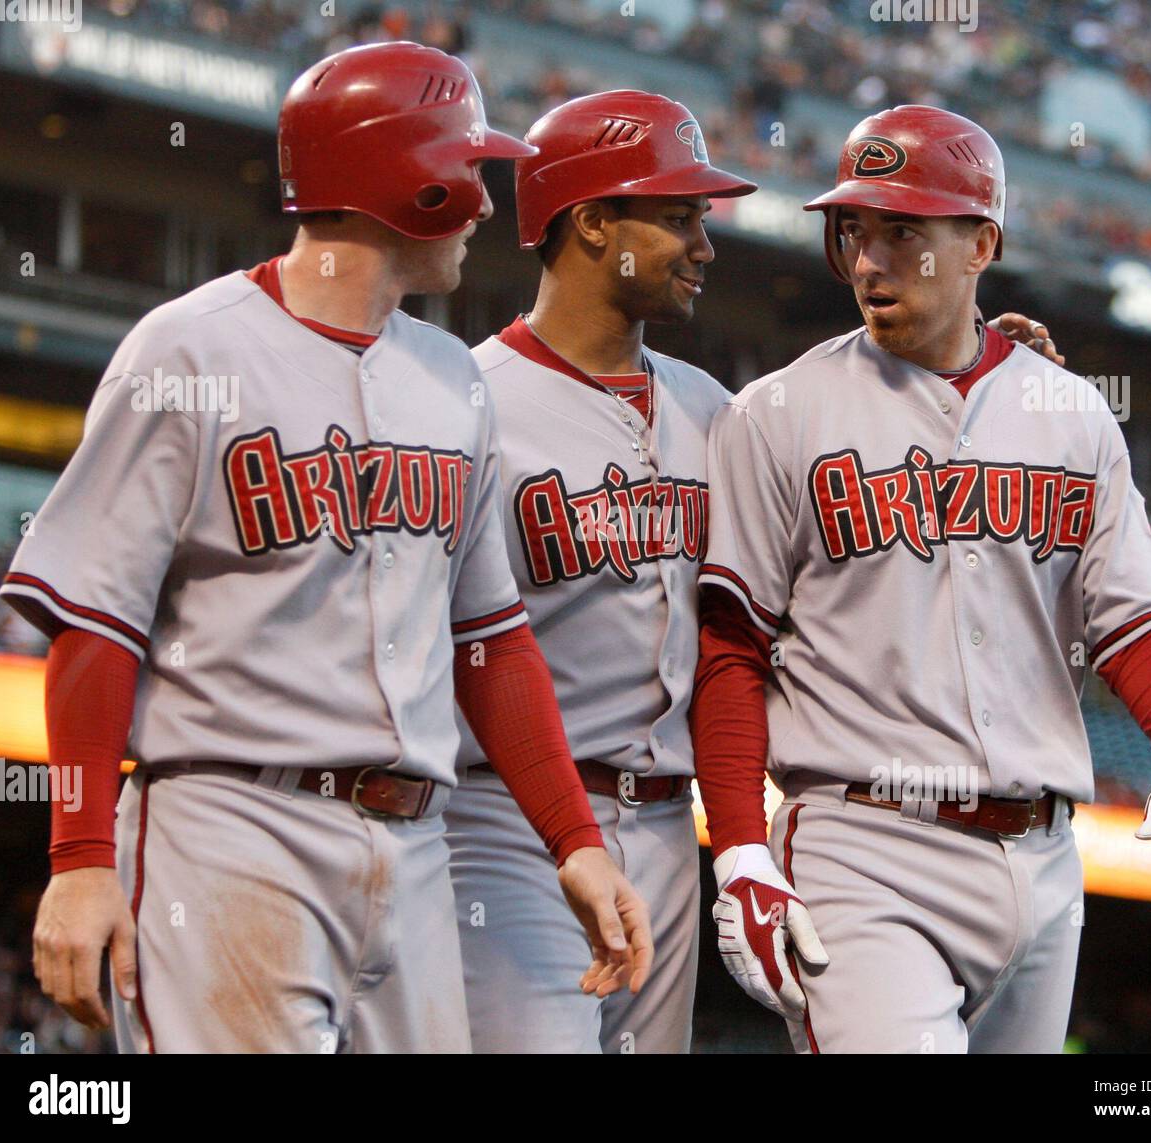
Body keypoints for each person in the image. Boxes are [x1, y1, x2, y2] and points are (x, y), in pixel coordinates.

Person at [0, 43, 651, 1054]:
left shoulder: (451, 379)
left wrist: (573, 838)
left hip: (415, 845)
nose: (484, 204)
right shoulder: (191, 350)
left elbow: (492, 640)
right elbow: (96, 621)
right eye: (467, 169)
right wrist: (80, 857)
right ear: (409, 177)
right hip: (231, 825)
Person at [445, 92, 1069, 1053]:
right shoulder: (468, 402)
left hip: (664, 829)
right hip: (507, 817)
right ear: (594, 223)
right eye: (681, 218)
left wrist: (992, 369)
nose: (705, 246)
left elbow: (849, 468)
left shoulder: (718, 412)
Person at [691, 105, 1151, 1054]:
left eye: (903, 232)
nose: (869, 260)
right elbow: (732, 646)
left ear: (980, 242)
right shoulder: (776, 413)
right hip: (865, 846)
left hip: (1044, 857)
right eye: (853, 232)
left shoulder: (1070, 412)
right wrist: (741, 841)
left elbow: (1137, 617)